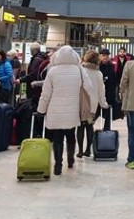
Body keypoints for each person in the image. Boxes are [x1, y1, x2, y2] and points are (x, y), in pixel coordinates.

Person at [37, 46, 93, 175]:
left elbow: (45, 94)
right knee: (70, 135)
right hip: (73, 109)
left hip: (55, 110)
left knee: (57, 138)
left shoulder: (52, 71)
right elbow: (88, 87)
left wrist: (41, 110)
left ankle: (58, 164)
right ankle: (71, 160)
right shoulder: (79, 70)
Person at [77, 50, 109, 158]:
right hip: (93, 103)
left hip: (81, 102)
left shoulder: (81, 71)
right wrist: (104, 104)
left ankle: (80, 151)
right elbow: (101, 91)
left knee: (80, 126)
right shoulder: (99, 74)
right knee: (90, 126)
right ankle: (87, 150)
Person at [99, 48, 119, 130]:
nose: (105, 57)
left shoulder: (111, 66)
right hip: (100, 92)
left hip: (109, 93)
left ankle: (107, 129)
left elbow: (114, 79)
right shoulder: (98, 66)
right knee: (97, 112)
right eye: (103, 55)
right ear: (100, 56)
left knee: (109, 112)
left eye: (107, 55)